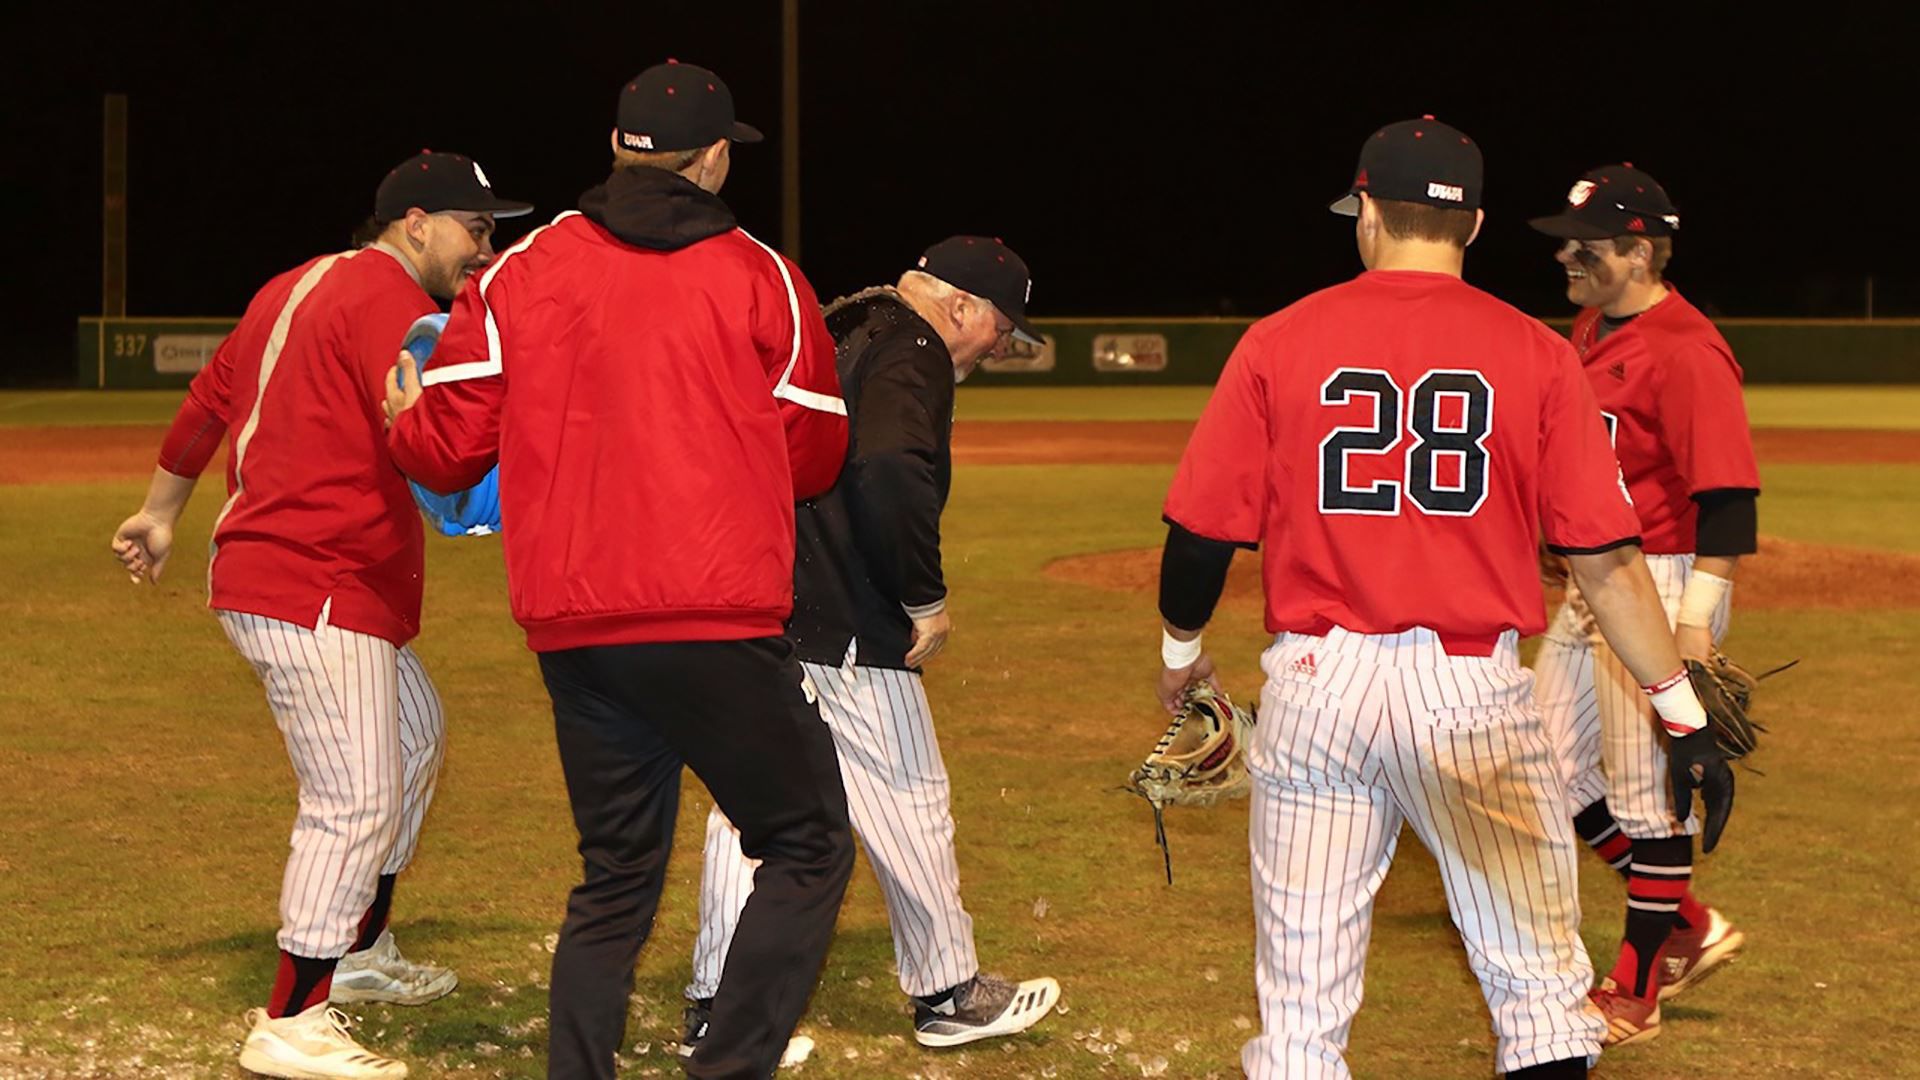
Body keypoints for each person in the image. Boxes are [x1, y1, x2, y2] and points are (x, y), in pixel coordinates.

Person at [1152, 117, 1733, 1079]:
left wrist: (1180, 658)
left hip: (1315, 684)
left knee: (1300, 1001)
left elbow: (1202, 534)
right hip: (1470, 700)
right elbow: (1607, 563)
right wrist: (1680, 712)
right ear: (1472, 228)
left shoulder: (1278, 339)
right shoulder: (1540, 355)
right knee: (1540, 990)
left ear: (1369, 210)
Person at [383, 60, 854, 1080]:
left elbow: (447, 449)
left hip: (578, 628)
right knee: (809, 846)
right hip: (714, 619)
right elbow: (815, 454)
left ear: (615, 148)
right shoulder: (761, 273)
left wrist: (402, 418)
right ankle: (727, 1066)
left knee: (616, 876)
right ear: (717, 157)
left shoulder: (524, 270)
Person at [109, 150, 532, 1079]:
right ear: (415, 222)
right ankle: (292, 1021)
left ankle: (359, 952)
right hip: (313, 574)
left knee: (413, 741)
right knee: (356, 794)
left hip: (309, 574)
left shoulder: (290, 285)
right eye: (477, 227)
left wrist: (161, 510)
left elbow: (209, 396)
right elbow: (443, 446)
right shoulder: (392, 301)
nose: (484, 248)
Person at [680, 238, 1061, 1054]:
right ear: (958, 306)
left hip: (767, 604)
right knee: (910, 798)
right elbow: (889, 467)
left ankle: (716, 1006)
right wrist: (922, 596)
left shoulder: (838, 328)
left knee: (753, 817)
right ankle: (947, 992)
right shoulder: (910, 348)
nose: (1001, 344)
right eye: (1000, 326)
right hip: (845, 617)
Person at [1529, 165, 1761, 1045]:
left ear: (1637, 249)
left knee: (1643, 801)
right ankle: (1688, 924)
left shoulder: (1687, 348)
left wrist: (1697, 620)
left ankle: (1635, 987)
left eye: (1583, 246)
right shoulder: (1592, 326)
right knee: (1544, 770)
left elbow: (1729, 498)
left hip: (1660, 584)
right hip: (1599, 579)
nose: (1565, 257)